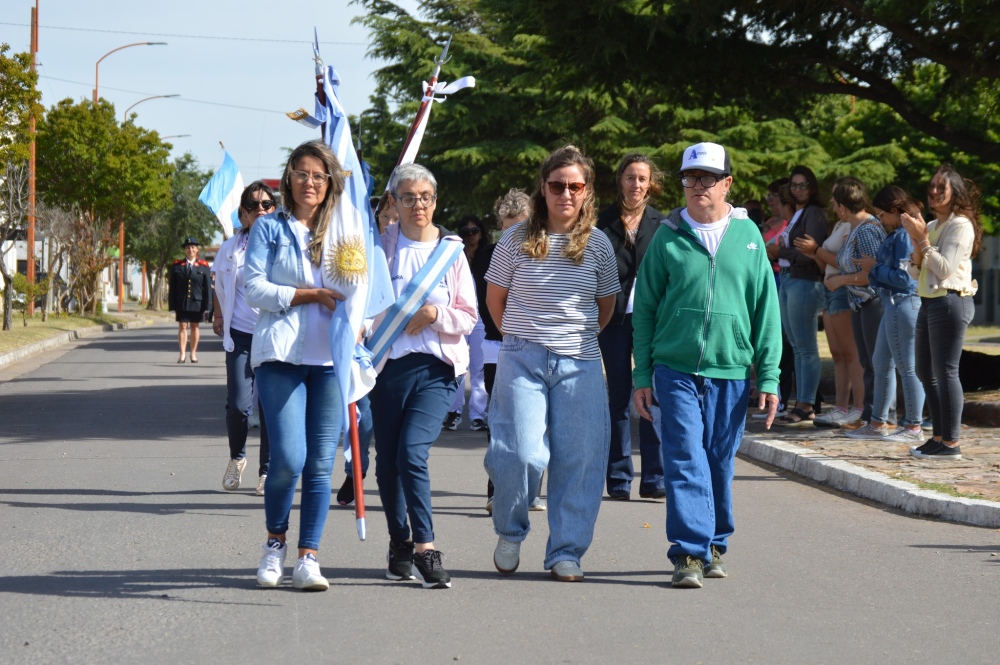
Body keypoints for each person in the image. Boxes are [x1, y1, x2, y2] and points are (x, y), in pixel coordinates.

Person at [632, 141, 781, 589]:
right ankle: (688, 552)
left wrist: (768, 375)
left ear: (726, 183)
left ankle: (715, 542)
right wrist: (642, 374)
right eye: (690, 178)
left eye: (708, 178)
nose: (698, 186)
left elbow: (766, 310)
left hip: (730, 370)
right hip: (674, 367)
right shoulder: (667, 235)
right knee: (684, 457)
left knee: (718, 461)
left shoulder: (749, 237)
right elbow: (644, 310)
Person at [485, 145, 619, 582]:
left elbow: (605, 308)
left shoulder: (599, 244)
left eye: (575, 186)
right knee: (520, 453)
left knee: (579, 459)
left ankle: (566, 550)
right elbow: (495, 300)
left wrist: (572, 339)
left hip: (580, 361)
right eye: (557, 185)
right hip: (522, 357)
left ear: (587, 191)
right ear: (543, 188)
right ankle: (510, 530)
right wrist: (523, 338)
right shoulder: (514, 240)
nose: (566, 194)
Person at [245, 140, 366, 591]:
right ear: (288, 178)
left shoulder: (345, 230)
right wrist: (308, 295)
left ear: (330, 181)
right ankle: (274, 543)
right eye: (301, 173)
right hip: (281, 356)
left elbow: (364, 285)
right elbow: (254, 289)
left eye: (318, 175)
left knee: (319, 464)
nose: (309, 182)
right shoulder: (269, 228)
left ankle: (308, 557)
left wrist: (361, 321)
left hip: (332, 359)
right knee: (289, 457)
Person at [368, 163, 477, 589]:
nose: (419, 205)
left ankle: (425, 548)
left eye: (426, 197)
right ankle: (399, 541)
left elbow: (468, 316)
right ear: (394, 202)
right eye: (409, 197)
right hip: (387, 369)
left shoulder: (451, 252)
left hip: (436, 370)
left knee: (411, 452)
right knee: (387, 463)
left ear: (435, 201)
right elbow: (362, 306)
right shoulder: (379, 247)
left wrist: (434, 313)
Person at [596, 153, 665, 500]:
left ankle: (654, 478)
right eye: (630, 177)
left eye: (642, 178)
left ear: (650, 184)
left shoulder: (663, 224)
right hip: (614, 319)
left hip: (652, 320)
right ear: (620, 180)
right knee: (618, 397)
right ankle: (619, 478)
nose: (635, 184)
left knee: (652, 394)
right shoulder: (601, 222)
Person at [905, 164, 983, 460]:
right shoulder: (933, 225)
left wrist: (923, 241)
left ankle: (951, 442)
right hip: (929, 301)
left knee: (946, 371)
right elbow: (916, 271)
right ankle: (938, 437)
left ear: (955, 193)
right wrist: (917, 241)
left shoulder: (960, 225)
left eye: (941, 187)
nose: (934, 191)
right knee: (925, 370)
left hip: (951, 301)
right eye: (932, 186)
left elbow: (945, 268)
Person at [481, 189, 545, 514]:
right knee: (502, 421)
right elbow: (485, 300)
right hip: (497, 346)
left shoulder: (545, 252)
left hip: (538, 348)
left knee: (538, 423)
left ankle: (531, 491)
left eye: (520, 228)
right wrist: (507, 332)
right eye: (507, 229)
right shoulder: (488, 254)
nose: (512, 236)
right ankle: (497, 491)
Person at [212, 181, 274, 496]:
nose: (260, 210)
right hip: (240, 336)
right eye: (253, 205)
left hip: (274, 337)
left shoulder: (284, 244)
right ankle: (237, 458)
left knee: (271, 407)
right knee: (238, 406)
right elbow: (219, 284)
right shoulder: (230, 248)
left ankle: (266, 472)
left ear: (274, 209)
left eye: (266, 204)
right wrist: (219, 316)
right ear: (243, 214)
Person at [857, 185, 926, 442]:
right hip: (893, 305)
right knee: (882, 363)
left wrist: (874, 267)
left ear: (895, 210)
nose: (881, 220)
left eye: (882, 214)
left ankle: (913, 427)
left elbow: (905, 278)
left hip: (903, 303)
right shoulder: (898, 234)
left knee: (907, 367)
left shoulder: (904, 235)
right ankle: (878, 422)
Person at [794, 185, 865, 427]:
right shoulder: (839, 225)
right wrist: (814, 254)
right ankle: (841, 407)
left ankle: (859, 408)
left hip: (843, 289)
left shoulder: (856, 226)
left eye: (836, 199)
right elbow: (828, 265)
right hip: (829, 287)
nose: (833, 204)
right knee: (837, 354)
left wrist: (816, 250)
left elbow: (845, 263)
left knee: (851, 354)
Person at [822, 177, 886, 435]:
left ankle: (877, 418)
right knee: (867, 362)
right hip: (860, 302)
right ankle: (869, 418)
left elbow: (874, 273)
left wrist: (840, 280)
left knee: (873, 363)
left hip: (872, 301)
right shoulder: (856, 227)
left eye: (835, 204)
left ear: (843, 207)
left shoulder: (867, 230)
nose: (833, 208)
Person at [774, 165, 829, 425]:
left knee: (806, 347)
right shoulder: (797, 213)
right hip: (788, 280)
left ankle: (806, 405)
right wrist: (785, 252)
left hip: (804, 282)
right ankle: (802, 402)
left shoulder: (814, 213)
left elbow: (810, 254)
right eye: (794, 185)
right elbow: (798, 250)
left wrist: (781, 252)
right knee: (796, 346)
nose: (798, 189)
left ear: (812, 187)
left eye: (803, 185)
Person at [442, 214, 491, 431]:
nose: (471, 236)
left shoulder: (488, 255)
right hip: (459, 316)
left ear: (481, 233)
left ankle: (478, 415)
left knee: (479, 368)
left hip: (480, 317)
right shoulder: (454, 255)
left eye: (475, 231)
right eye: (465, 232)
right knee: (457, 365)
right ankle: (454, 411)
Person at [168, 237, 211, 363]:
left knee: (194, 326)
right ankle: (182, 354)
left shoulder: (203, 266)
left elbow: (207, 287)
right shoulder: (177, 266)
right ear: (184, 250)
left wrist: (208, 305)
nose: (190, 250)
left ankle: (193, 353)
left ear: (197, 250)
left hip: (197, 302)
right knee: (182, 325)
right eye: (187, 247)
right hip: (181, 301)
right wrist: (172, 305)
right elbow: (173, 287)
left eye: (193, 247)